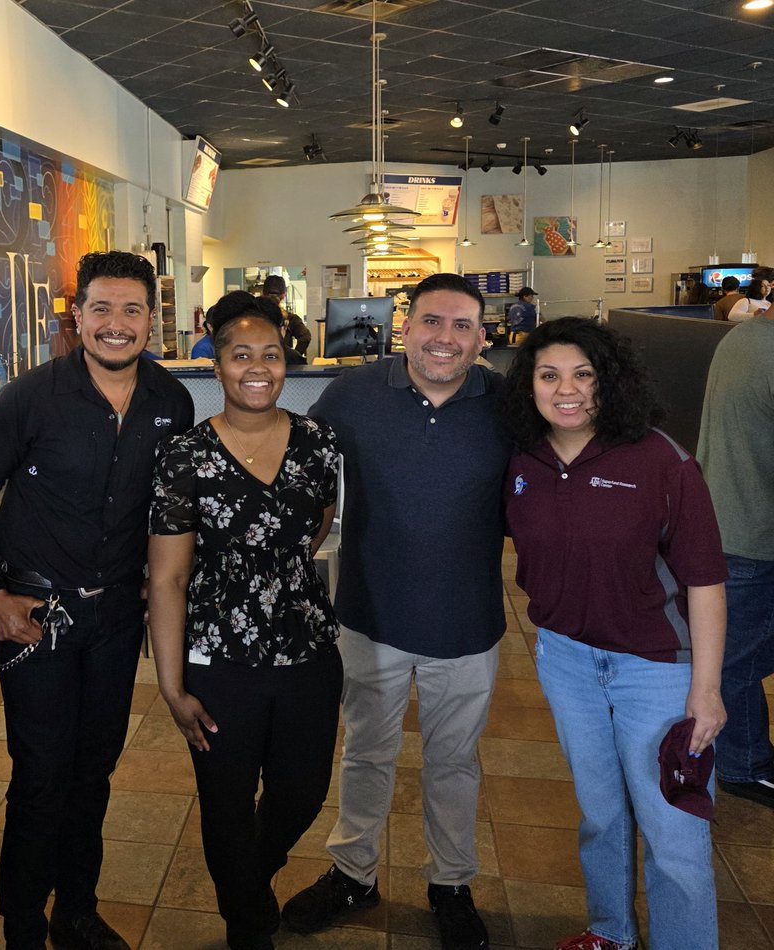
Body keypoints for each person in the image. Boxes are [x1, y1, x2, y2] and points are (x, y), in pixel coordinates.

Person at [0, 250, 193, 950]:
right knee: (40, 774)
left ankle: (77, 913)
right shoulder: (31, 395)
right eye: (101, 309)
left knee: (95, 771)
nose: (115, 325)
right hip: (36, 617)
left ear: (152, 319)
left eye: (131, 311)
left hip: (117, 616)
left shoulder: (169, 401)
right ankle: (23, 923)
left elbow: (170, 510)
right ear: (78, 316)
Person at [283, 272, 509, 950]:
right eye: (433, 323)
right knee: (366, 754)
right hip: (370, 616)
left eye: (462, 326)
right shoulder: (353, 394)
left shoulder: (508, 403)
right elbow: (299, 473)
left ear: (481, 337)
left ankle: (450, 884)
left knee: (454, 762)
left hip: (468, 623)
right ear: (405, 328)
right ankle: (353, 872)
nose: (446, 338)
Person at [503, 317, 727, 950]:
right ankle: (611, 932)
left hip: (656, 671)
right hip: (567, 662)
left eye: (584, 375)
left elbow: (706, 581)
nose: (566, 389)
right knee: (600, 815)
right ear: (531, 386)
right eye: (550, 375)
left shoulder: (661, 459)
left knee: (674, 828)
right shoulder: (525, 457)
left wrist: (705, 690)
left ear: (610, 383)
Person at [148, 301, 341, 950]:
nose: (258, 368)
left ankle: (248, 879)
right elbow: (168, 580)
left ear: (287, 364)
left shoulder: (320, 444)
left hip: (307, 655)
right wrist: (172, 688)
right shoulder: (186, 457)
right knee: (227, 808)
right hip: (220, 664)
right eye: (241, 355)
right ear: (217, 364)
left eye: (272, 356)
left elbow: (322, 537)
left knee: (303, 792)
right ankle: (249, 925)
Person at [698, 305, 774, 808]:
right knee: (735, 663)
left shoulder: (745, 338)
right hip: (752, 532)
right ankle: (743, 765)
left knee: (736, 657)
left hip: (728, 522)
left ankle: (744, 759)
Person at [261, 274, 311, 358]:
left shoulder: (253, 317)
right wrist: (293, 357)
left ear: (263, 293)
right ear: (284, 295)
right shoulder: (290, 318)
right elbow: (305, 337)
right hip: (283, 366)